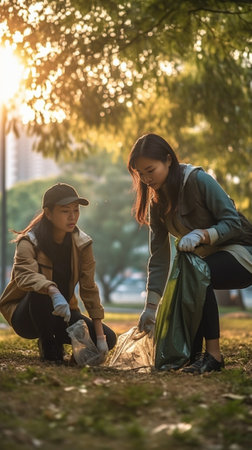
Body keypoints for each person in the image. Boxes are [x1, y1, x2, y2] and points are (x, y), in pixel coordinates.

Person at [127, 133, 252, 374]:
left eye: (150, 170)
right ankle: (191, 355)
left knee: (197, 273)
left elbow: (233, 222)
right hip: (207, 262)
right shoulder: (157, 202)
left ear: (168, 160)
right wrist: (151, 307)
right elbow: (159, 257)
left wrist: (203, 235)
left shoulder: (198, 180)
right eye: (140, 174)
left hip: (243, 252)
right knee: (187, 278)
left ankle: (214, 355)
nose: (145, 178)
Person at [0, 183, 116, 364]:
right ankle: (48, 344)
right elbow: (24, 276)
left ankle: (73, 356)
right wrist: (52, 290)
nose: (72, 217)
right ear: (48, 212)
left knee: (110, 338)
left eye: (76, 210)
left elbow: (89, 288)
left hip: (62, 312)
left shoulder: (83, 244)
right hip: (26, 315)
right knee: (40, 290)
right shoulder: (29, 242)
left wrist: (100, 339)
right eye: (65, 211)